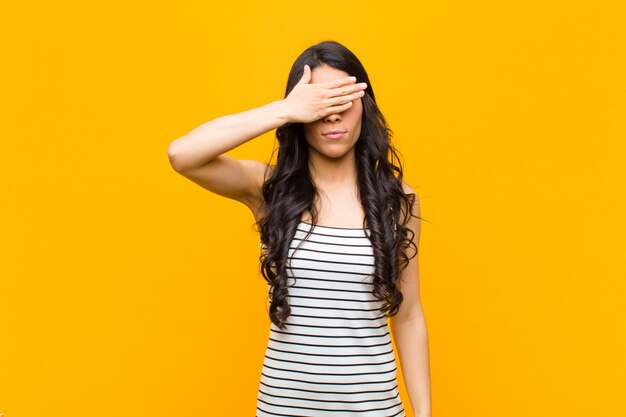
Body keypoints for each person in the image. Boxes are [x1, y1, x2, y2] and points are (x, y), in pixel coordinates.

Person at [167, 40, 432, 417]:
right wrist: (285, 109)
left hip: (374, 409)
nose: (332, 116)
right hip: (282, 408)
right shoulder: (270, 190)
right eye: (319, 104)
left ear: (365, 106)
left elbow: (408, 315)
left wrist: (424, 414)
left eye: (342, 100)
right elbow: (182, 155)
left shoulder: (398, 201)